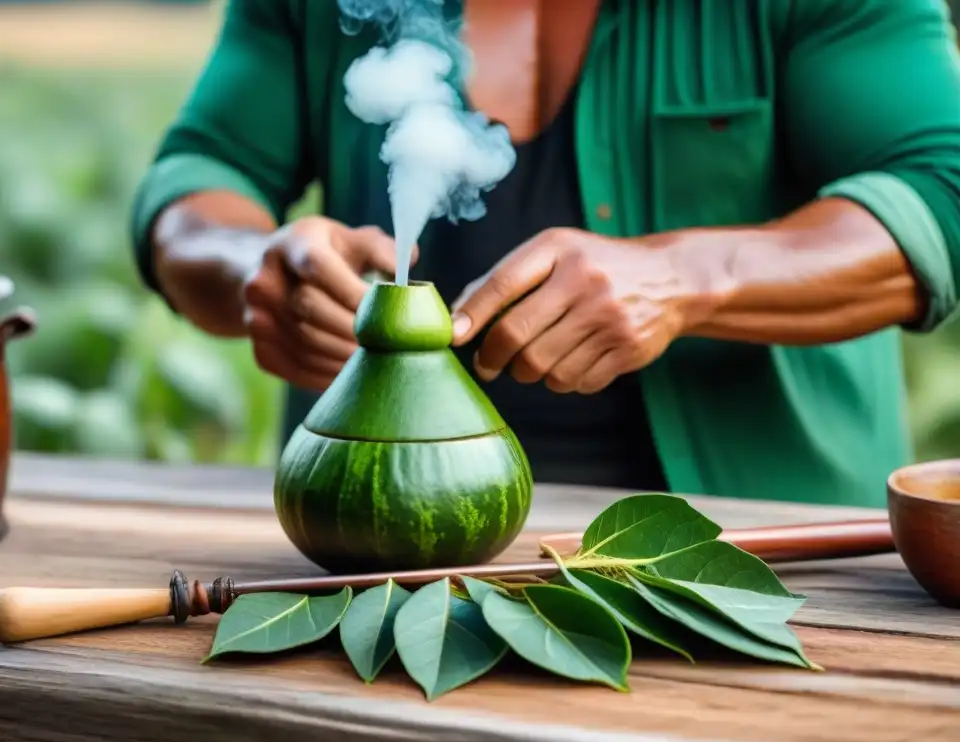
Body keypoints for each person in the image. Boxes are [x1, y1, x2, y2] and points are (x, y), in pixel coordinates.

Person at [129, 0, 960, 509]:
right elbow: (201, 177)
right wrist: (253, 268)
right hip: (376, 568)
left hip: (752, 557)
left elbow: (944, 186)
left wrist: (685, 279)